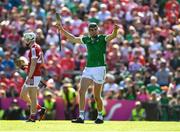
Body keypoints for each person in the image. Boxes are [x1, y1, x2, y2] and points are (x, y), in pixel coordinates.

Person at [56, 17, 119, 124]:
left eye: (95, 29)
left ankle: (100, 116)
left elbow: (112, 36)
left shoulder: (102, 38)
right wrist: (62, 30)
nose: (93, 31)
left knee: (97, 96)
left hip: (100, 69)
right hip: (88, 69)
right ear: (88, 31)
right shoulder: (86, 39)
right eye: (91, 30)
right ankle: (81, 116)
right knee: (81, 91)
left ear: (98, 30)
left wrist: (115, 30)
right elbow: (72, 38)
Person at [19, 32, 46, 122]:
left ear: (30, 39)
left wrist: (30, 75)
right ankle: (36, 113)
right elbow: (41, 62)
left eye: (26, 38)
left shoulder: (34, 48)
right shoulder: (38, 47)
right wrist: (28, 67)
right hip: (35, 74)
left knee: (27, 96)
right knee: (28, 96)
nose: (25, 40)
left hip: (33, 75)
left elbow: (34, 63)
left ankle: (35, 114)